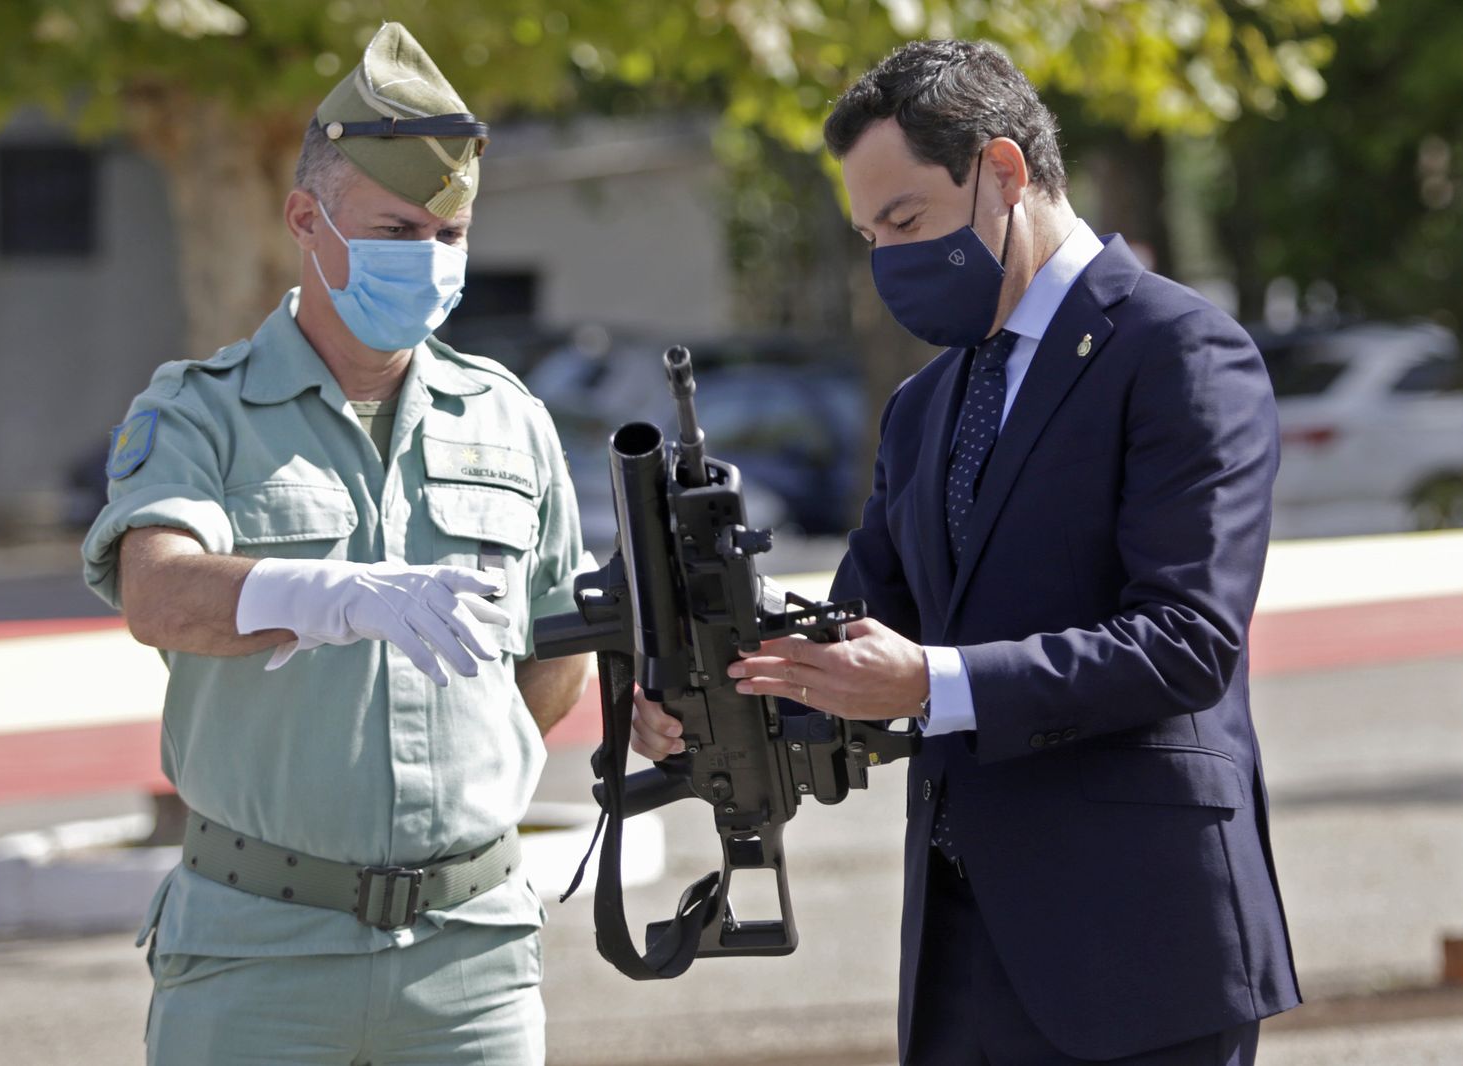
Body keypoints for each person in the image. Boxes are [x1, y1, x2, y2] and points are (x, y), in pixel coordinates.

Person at [633, 39, 1298, 1066]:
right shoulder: (922, 404)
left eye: (904, 222)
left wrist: (931, 683)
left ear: (1002, 171)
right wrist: (709, 700)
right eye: (867, 234)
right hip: (961, 957)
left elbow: (1184, 641)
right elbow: (862, 630)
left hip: (1140, 953)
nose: (888, 259)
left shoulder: (1178, 351)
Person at [82, 22, 588, 1065]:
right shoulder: (200, 412)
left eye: (450, 235)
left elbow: (555, 648)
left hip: (470, 954)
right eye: (400, 229)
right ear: (305, 220)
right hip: (259, 950)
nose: (431, 258)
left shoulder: (509, 417)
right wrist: (331, 597)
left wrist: (471, 779)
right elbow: (158, 596)